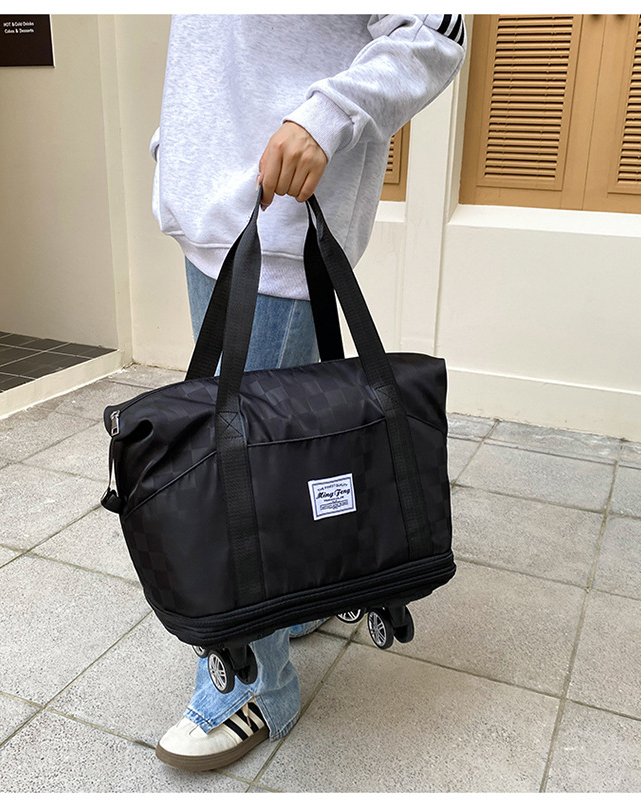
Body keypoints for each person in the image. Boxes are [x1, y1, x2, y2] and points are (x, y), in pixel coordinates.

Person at [148, 13, 466, 771]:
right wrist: (177, 147)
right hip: (210, 209)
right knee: (274, 455)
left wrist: (323, 116)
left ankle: (258, 685)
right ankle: (300, 601)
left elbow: (438, 29)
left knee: (244, 471)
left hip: (280, 212)